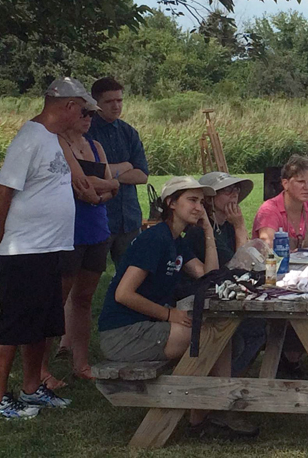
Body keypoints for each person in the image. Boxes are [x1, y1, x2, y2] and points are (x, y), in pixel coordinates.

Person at [0, 77, 98, 419]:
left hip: (50, 248)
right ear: (69, 106)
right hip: (25, 249)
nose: (85, 115)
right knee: (14, 324)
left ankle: (32, 389)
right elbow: (3, 189)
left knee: (42, 324)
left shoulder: (53, 139)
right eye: (84, 109)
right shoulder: (29, 138)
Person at [97, 176, 242, 437]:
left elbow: (209, 277)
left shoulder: (176, 240)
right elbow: (123, 294)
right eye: (191, 200)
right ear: (171, 203)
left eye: (201, 202)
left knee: (219, 335)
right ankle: (202, 418)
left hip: (147, 327)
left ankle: (210, 412)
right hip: (122, 333)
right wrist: (169, 314)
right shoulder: (156, 239)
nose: (198, 207)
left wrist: (208, 232)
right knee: (209, 337)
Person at [40, 103, 120, 388]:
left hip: (97, 228)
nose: (88, 119)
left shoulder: (96, 146)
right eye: (83, 113)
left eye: (91, 114)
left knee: (84, 299)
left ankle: (81, 363)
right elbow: (79, 182)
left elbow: (113, 185)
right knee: (56, 300)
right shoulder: (58, 143)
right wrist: (102, 187)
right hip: (67, 231)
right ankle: (41, 369)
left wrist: (98, 194)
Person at [181, 172, 263, 437]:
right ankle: (219, 400)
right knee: (246, 331)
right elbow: (238, 266)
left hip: (222, 298)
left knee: (258, 329)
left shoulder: (224, 226)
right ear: (211, 198)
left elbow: (248, 264)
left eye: (237, 190)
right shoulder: (198, 232)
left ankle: (226, 393)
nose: (235, 194)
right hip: (200, 302)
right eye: (228, 190)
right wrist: (241, 228)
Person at [88, 77, 149, 265]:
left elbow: (142, 175)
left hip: (129, 218)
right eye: (109, 101)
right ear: (96, 103)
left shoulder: (128, 132)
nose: (116, 106)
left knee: (130, 276)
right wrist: (124, 166)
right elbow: (89, 176)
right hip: (99, 217)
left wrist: (108, 175)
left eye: (119, 100)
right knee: (88, 276)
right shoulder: (87, 132)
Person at [252, 155, 308, 251]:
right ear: (285, 184)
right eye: (301, 182)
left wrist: (307, 252)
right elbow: (268, 247)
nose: (307, 187)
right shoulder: (269, 209)